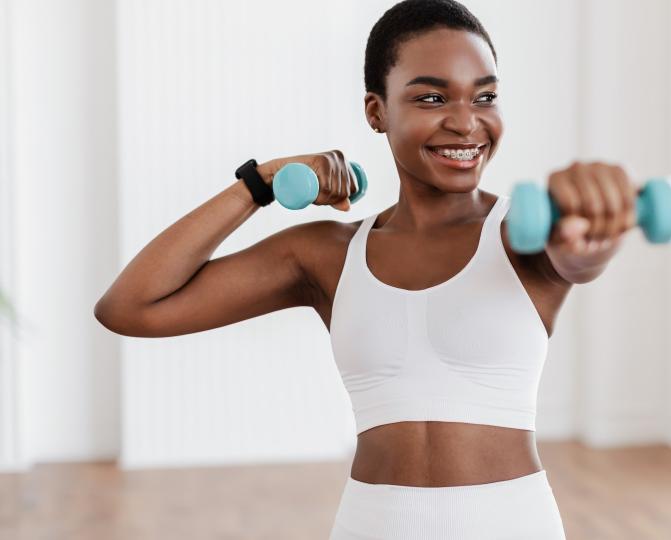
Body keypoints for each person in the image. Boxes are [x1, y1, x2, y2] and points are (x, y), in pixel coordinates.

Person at [94, 0, 638, 537]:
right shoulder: (327, 254)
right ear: (376, 112)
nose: (466, 122)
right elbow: (131, 307)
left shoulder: (525, 234)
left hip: (510, 523)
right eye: (431, 97)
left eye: (486, 96)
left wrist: (595, 230)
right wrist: (259, 183)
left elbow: (580, 254)